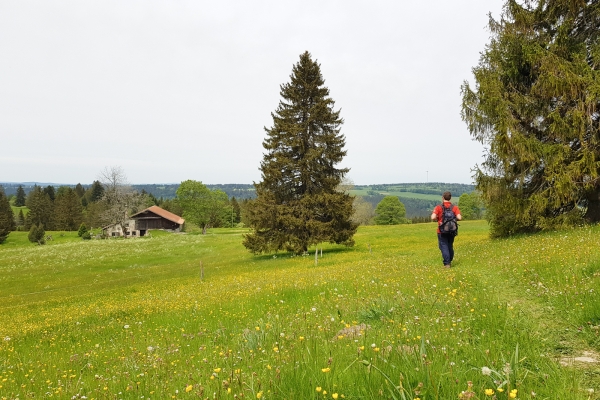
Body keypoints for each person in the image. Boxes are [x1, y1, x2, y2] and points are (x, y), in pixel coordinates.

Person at [431, 191, 462, 268]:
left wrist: (438, 219)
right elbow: (459, 218)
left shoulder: (438, 207)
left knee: (443, 246)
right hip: (452, 230)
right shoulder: (454, 207)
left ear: (443, 198)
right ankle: (449, 260)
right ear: (450, 198)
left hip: (441, 231)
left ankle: (447, 263)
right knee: (450, 245)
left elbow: (433, 217)